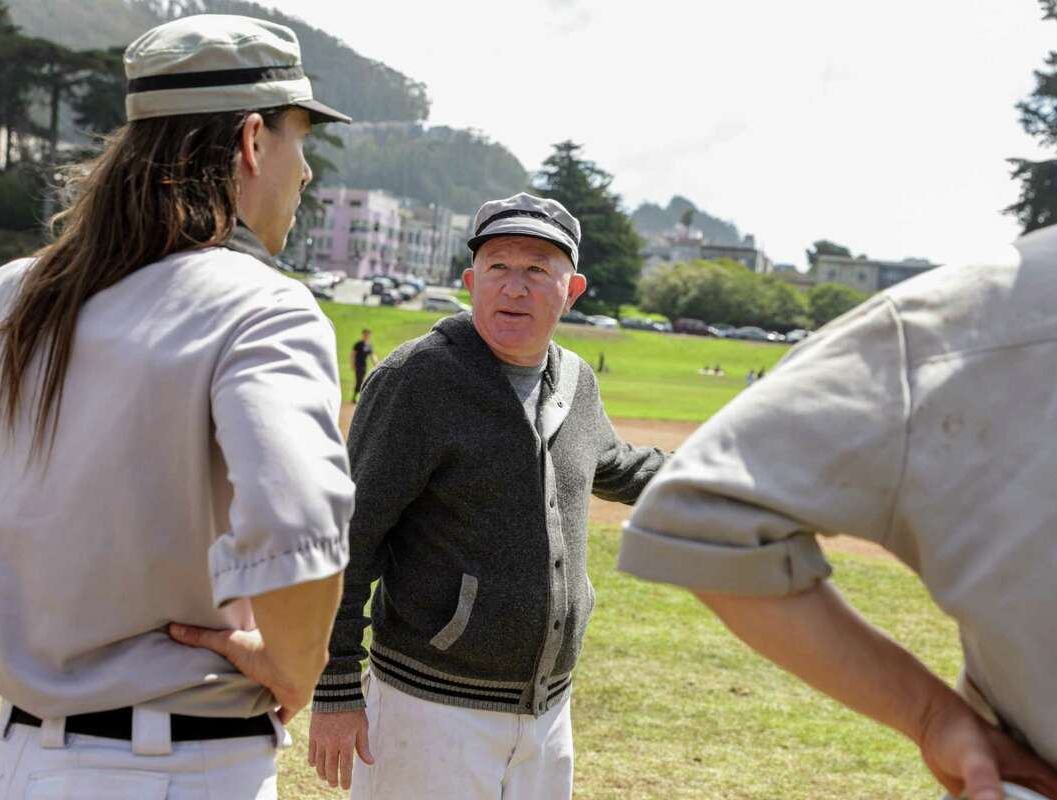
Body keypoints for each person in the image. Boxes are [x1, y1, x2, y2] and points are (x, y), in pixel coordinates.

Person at [0, 15, 355, 799]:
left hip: (17, 765)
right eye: (303, 141)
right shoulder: (264, 307)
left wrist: (1, 553)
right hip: (183, 767)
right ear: (254, 141)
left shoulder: (9, 294)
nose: (307, 173)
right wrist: (294, 667)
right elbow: (297, 522)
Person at [617, 227, 1057, 800]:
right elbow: (700, 509)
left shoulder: (981, 310)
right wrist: (930, 717)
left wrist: (932, 718)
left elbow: (699, 511)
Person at [307, 193, 668, 799]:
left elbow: (614, 464)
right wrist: (337, 687)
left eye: (537, 270)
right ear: (471, 281)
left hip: (548, 711)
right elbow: (348, 537)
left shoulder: (576, 381)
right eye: (498, 267)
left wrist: (727, 477)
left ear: (572, 288)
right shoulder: (416, 381)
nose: (514, 288)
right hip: (430, 709)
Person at [350, 328, 378, 402]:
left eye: (368, 334)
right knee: (359, 381)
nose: (367, 336)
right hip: (358, 365)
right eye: (365, 334)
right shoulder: (358, 344)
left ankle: (355, 397)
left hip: (364, 365)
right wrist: (353, 364)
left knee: (362, 381)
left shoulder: (369, 345)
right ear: (363, 335)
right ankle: (357, 397)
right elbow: (353, 354)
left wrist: (377, 364)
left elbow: (372, 355)